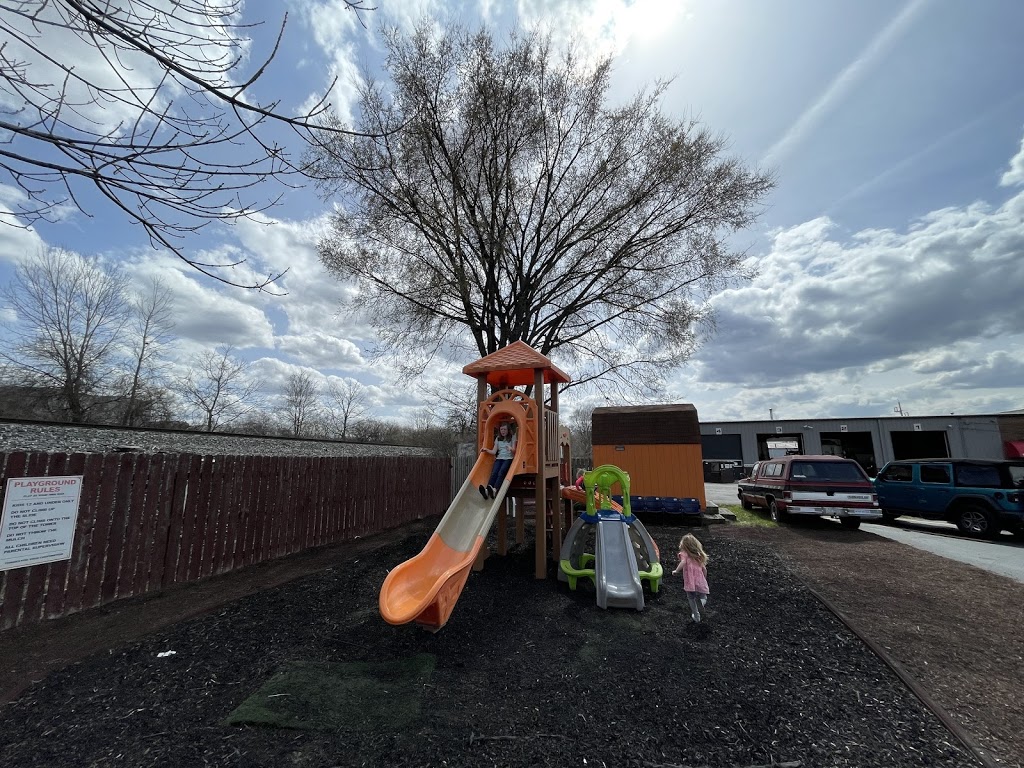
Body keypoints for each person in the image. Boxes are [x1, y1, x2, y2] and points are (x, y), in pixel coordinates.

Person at [672, 533, 710, 623]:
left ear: (684, 545)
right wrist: (704, 579)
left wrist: (676, 571)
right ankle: (701, 603)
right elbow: (704, 570)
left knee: (691, 597)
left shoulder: (684, 554)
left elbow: (683, 562)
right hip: (700, 580)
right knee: (703, 596)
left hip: (690, 580)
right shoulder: (698, 555)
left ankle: (696, 615)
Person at [479, 422, 517, 499]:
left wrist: (510, 449)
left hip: (508, 459)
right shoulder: (498, 439)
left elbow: (514, 450)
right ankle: (487, 490)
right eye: (501, 429)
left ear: (508, 430)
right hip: (499, 458)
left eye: (504, 429)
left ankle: (495, 489)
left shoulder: (512, 437)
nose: (503, 431)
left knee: (501, 472)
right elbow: (494, 451)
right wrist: (486, 450)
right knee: (494, 473)